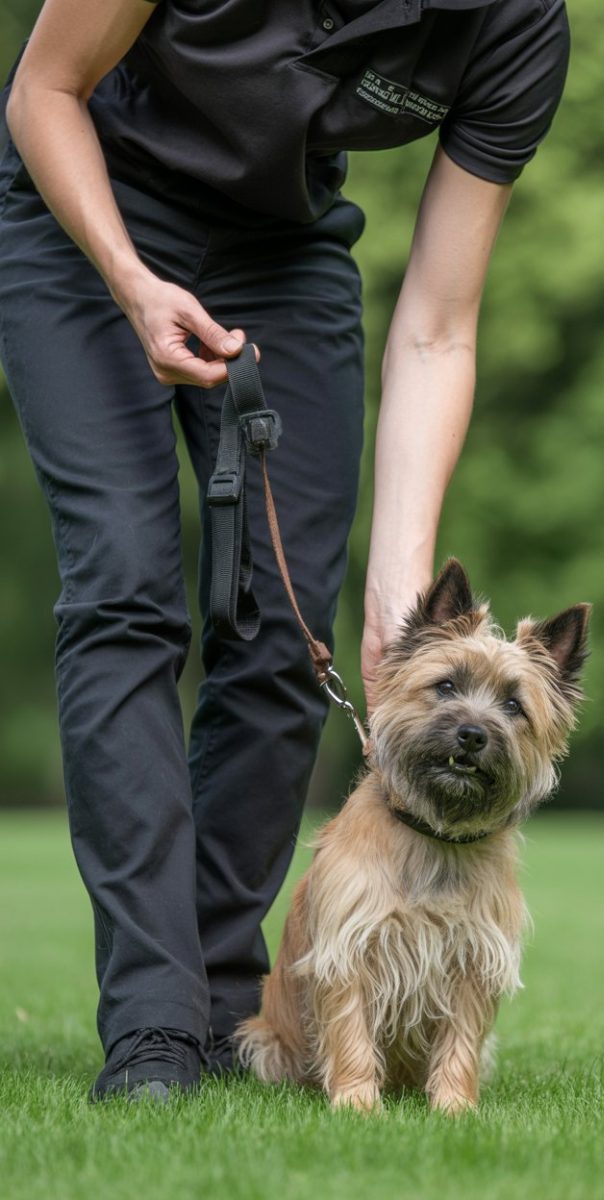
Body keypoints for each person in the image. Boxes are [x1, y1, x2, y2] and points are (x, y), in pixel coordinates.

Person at [0, 0, 570, 1102]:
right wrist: (129, 277)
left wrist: (398, 601)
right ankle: (154, 1029)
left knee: (282, 626)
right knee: (126, 589)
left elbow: (438, 323)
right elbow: (42, 89)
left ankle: (222, 1005)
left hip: (282, 251)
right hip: (85, 214)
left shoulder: (514, 26)